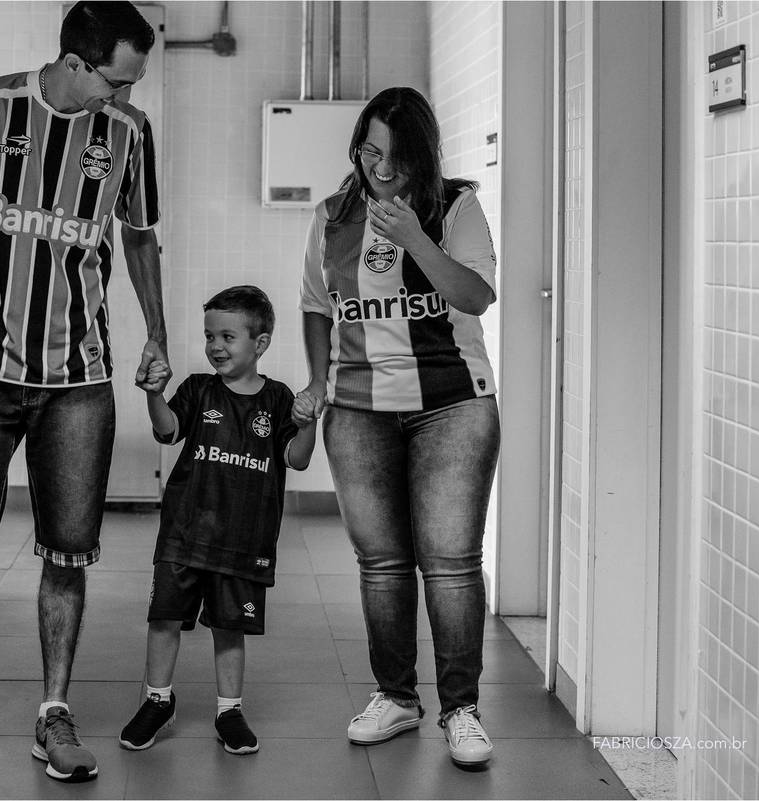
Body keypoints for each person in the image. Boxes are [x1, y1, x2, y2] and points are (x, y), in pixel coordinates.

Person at [0, 1, 167, 783]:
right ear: (78, 64)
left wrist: (156, 332)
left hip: (78, 379)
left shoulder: (129, 134)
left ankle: (54, 710)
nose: (126, 96)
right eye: (118, 82)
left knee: (68, 552)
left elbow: (140, 236)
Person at [299, 87, 500, 767]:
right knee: (382, 565)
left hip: (453, 405)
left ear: (422, 154)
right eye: (369, 151)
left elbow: (475, 295)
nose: (380, 169)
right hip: (357, 410)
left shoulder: (457, 205)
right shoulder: (332, 216)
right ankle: (396, 697)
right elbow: (314, 305)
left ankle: (461, 709)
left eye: (395, 155)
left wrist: (415, 234)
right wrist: (317, 381)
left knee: (449, 563)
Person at [117, 286, 319, 756]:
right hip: (184, 533)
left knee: (230, 628)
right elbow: (168, 430)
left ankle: (229, 710)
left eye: (228, 336)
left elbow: (297, 459)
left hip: (243, 540)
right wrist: (154, 395)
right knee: (164, 617)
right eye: (210, 336)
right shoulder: (197, 388)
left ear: (260, 343)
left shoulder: (277, 399)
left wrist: (309, 424)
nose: (215, 346)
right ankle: (157, 701)